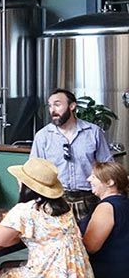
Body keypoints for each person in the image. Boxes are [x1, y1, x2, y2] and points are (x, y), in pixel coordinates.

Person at [31, 88, 113, 221]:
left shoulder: (93, 132)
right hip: (55, 200)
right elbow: (34, 171)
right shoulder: (42, 136)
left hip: (89, 198)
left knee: (89, 239)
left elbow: (108, 167)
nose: (53, 110)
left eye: (57, 104)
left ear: (72, 106)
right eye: (50, 105)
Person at [80, 161, 129, 278]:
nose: (88, 179)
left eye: (94, 176)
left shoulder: (106, 207)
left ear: (110, 182)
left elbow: (90, 247)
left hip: (111, 274)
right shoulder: (124, 202)